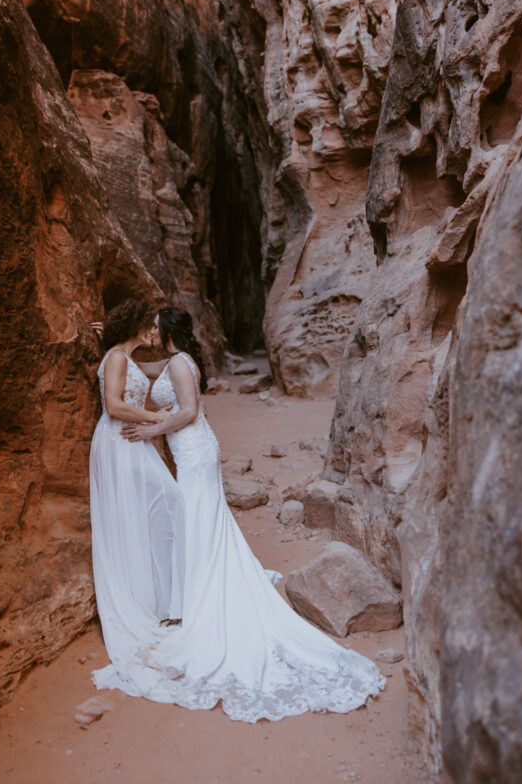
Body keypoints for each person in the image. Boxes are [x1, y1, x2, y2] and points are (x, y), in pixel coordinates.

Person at [91, 306, 385, 722]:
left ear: (168, 330)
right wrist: (113, 335)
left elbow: (189, 411)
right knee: (197, 522)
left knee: (195, 519)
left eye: (156, 326)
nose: (151, 331)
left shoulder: (178, 363)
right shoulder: (177, 360)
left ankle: (202, 599)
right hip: (191, 449)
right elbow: (142, 362)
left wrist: (153, 428)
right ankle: (195, 593)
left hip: (192, 450)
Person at [89, 299, 185, 674]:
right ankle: (143, 603)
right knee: (140, 511)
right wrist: (156, 417)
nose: (153, 331)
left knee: (158, 505)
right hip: (118, 441)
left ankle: (162, 601)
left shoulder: (123, 357)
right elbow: (113, 405)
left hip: (133, 440)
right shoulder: (116, 358)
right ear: (134, 323)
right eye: (148, 324)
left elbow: (158, 367)